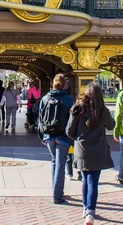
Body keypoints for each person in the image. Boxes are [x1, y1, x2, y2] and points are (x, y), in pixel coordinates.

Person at [67, 83, 115, 224]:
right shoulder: (101, 110)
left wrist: (79, 137)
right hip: (98, 149)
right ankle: (90, 211)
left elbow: (69, 131)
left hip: (82, 149)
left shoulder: (77, 108)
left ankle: (85, 207)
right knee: (93, 180)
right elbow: (111, 125)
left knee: (85, 179)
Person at [38, 73, 75, 204]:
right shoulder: (68, 99)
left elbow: (40, 118)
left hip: (49, 135)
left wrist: (42, 135)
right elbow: (73, 119)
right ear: (64, 85)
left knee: (55, 162)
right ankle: (57, 195)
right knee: (60, 164)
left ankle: (56, 190)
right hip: (63, 136)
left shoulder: (45, 98)